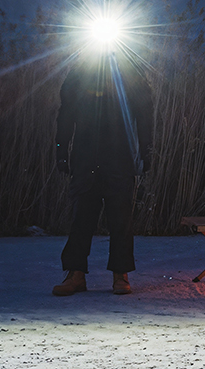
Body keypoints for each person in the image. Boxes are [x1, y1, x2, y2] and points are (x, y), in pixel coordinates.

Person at [51, 53, 154, 296]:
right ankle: (75, 274)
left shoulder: (131, 73)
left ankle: (121, 274)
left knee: (121, 219)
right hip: (86, 157)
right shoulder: (79, 74)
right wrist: (61, 151)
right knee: (81, 218)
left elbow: (145, 114)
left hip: (119, 157)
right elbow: (65, 114)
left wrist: (146, 151)